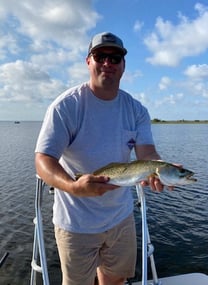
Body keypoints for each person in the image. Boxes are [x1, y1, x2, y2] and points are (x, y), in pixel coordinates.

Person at [35, 32, 167, 285]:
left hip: (121, 217)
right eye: (100, 56)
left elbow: (147, 154)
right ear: (88, 61)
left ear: (123, 65)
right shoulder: (66, 106)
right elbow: (43, 160)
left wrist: (163, 169)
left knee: (116, 280)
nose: (108, 63)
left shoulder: (136, 110)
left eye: (115, 57)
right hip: (76, 222)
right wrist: (73, 186)